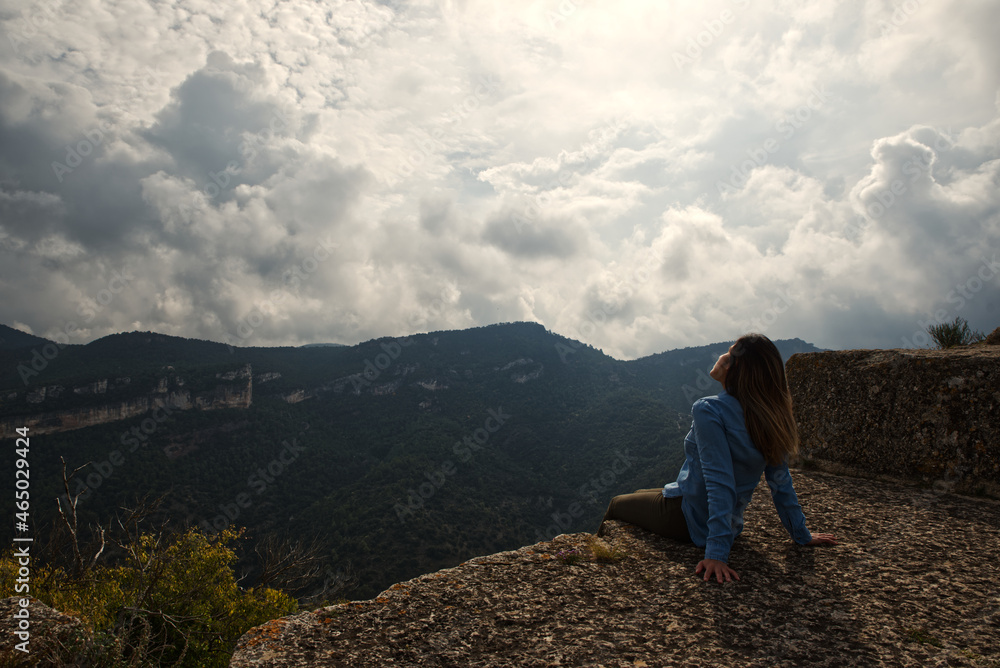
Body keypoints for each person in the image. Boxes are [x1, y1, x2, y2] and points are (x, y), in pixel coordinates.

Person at [597, 333, 837, 583]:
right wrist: (801, 533)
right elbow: (780, 482)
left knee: (616, 503)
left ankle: (592, 563)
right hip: (728, 521)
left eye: (730, 353)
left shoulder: (709, 410)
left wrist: (717, 554)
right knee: (639, 493)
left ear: (734, 368)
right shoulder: (769, 416)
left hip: (691, 520)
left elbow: (719, 481)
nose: (722, 355)